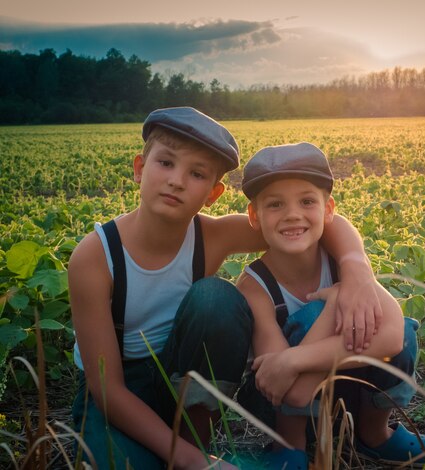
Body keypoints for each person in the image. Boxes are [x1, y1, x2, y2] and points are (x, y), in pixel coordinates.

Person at [68, 107, 386, 470]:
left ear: (213, 194)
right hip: (116, 391)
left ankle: (196, 442)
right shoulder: (96, 256)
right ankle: (193, 458)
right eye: (166, 163)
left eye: (197, 173)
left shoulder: (212, 236)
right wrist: (190, 463)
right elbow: (106, 389)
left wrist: (357, 269)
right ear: (140, 167)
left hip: (180, 371)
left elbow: (311, 220)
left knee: (215, 298)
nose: (177, 180)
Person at [235, 142, 425, 469]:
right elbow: (291, 392)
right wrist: (333, 306)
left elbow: (394, 338)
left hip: (345, 386)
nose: (292, 214)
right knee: (318, 314)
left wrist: (294, 359)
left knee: (401, 327)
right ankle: (289, 446)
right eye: (275, 204)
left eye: (307, 201)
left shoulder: (344, 267)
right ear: (254, 215)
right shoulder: (254, 287)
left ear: (328, 209)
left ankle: (374, 436)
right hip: (279, 402)